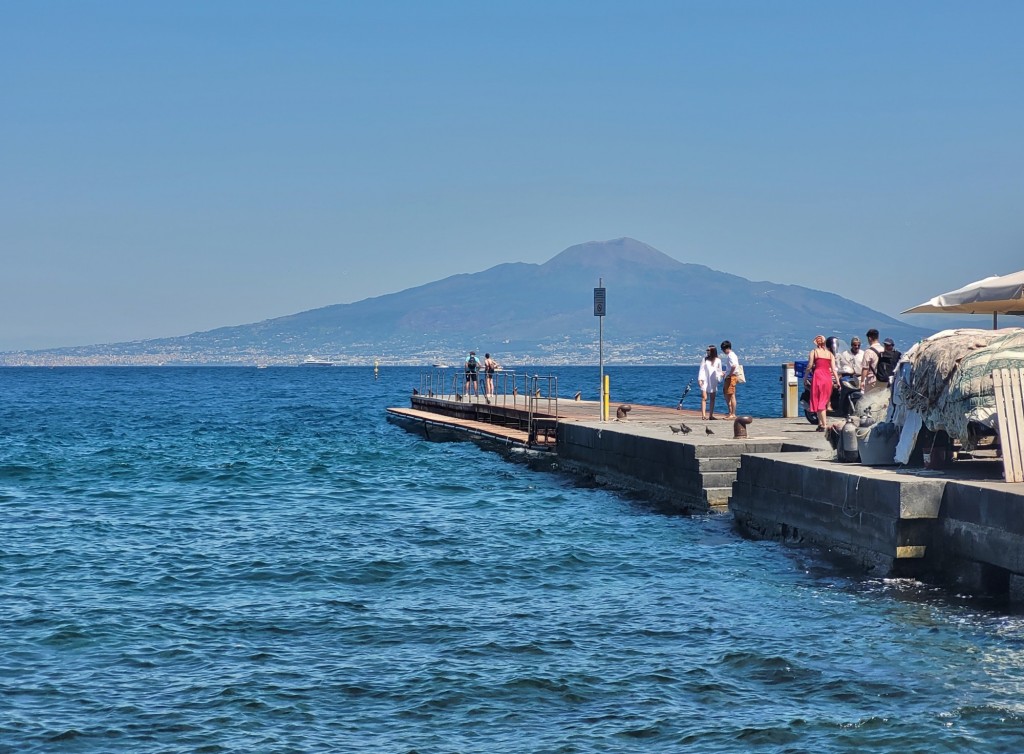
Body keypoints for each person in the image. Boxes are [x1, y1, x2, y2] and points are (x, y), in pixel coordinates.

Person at [808, 334, 840, 432]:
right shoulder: (830, 354)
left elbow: (809, 366)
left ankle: (824, 424)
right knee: (823, 400)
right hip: (827, 377)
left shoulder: (814, 352)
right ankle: (820, 424)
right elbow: (834, 369)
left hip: (818, 377)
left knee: (818, 400)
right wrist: (837, 381)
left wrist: (805, 377)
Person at [837, 337, 864, 416]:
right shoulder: (845, 354)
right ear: (851, 345)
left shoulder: (863, 354)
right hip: (848, 378)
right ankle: (841, 409)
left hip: (859, 377)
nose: (857, 347)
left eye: (858, 345)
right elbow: (840, 366)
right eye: (855, 345)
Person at [698, 344, 723, 420]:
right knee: (704, 397)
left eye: (708, 350)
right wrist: (700, 379)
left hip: (713, 380)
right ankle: (703, 415)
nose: (707, 351)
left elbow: (719, 371)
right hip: (705, 380)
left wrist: (720, 376)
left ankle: (711, 415)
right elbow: (701, 370)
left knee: (712, 398)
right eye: (707, 350)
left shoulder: (718, 360)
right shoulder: (705, 359)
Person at [860, 329, 884, 393]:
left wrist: (862, 381)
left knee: (869, 398)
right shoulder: (884, 350)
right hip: (883, 380)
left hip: (872, 380)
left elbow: (865, 368)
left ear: (869, 338)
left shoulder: (869, 351)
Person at [720, 340, 740, 418]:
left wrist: (730, 374)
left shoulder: (731, 355)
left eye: (723, 349)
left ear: (727, 348)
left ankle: (733, 413)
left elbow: (734, 366)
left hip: (731, 377)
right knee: (727, 394)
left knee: (731, 395)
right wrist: (726, 372)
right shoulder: (732, 355)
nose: (723, 351)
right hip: (730, 376)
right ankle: (730, 412)